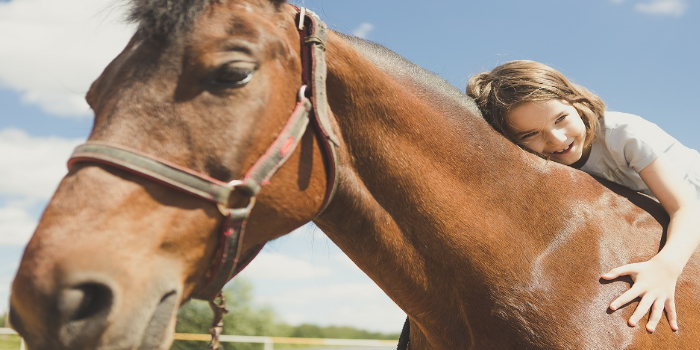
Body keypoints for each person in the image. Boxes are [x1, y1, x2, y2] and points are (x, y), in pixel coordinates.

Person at [466, 60, 700, 333]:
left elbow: (687, 208)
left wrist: (666, 268)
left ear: (574, 102)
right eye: (530, 134)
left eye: (560, 118)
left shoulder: (624, 135)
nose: (556, 138)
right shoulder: (545, 168)